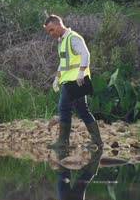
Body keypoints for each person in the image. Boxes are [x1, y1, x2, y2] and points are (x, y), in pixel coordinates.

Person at [44, 15, 103, 149]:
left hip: (77, 80)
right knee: (82, 110)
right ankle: (97, 141)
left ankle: (63, 142)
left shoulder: (73, 38)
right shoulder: (61, 41)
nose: (50, 33)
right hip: (68, 80)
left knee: (64, 108)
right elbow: (63, 63)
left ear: (59, 25)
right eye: (49, 31)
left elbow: (85, 54)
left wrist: (81, 72)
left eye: (52, 30)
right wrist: (57, 78)